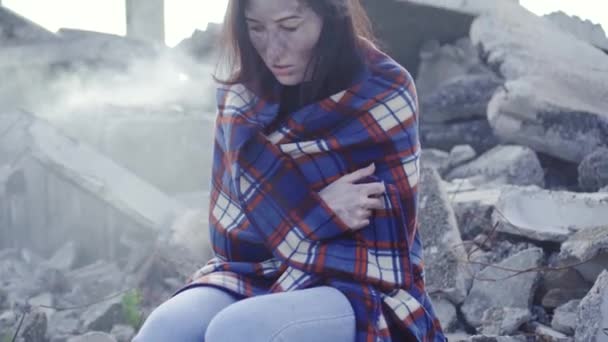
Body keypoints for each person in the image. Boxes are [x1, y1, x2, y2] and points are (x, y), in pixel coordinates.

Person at [133, 0, 446, 341]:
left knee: (237, 330)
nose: (273, 49)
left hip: (358, 283)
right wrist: (320, 212)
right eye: (256, 29)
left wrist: (283, 217)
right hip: (256, 271)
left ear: (329, 15)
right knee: (164, 330)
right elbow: (232, 238)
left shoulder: (384, 91)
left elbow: (384, 242)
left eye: (289, 27)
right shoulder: (240, 102)